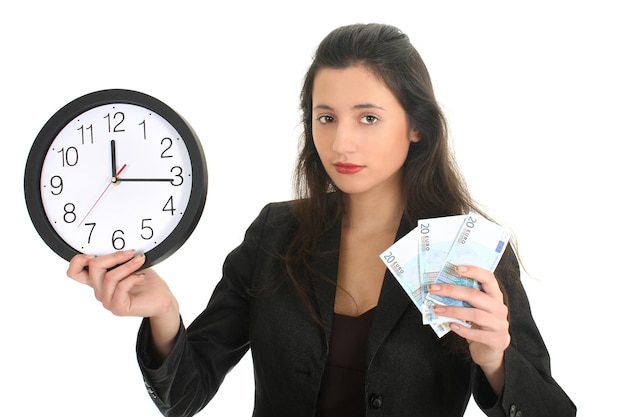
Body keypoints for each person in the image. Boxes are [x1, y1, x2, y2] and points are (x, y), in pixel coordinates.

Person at [67, 23, 576, 417]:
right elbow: (185, 395)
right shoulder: (274, 235)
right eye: (325, 116)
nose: (340, 143)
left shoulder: (468, 256)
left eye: (368, 117)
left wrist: (494, 359)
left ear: (417, 127)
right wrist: (162, 313)